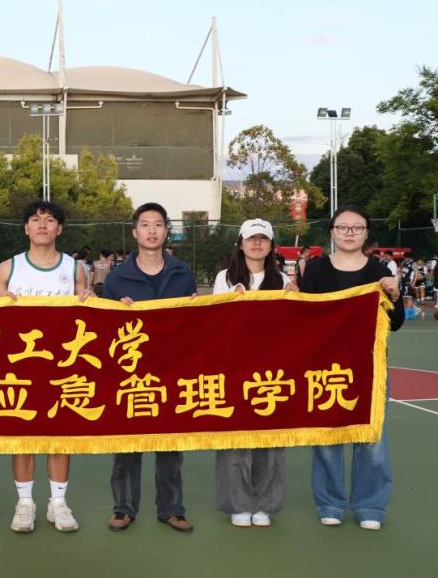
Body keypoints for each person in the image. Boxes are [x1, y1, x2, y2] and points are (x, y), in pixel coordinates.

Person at [0, 200, 92, 533]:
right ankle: (25, 503)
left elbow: (86, 311)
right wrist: (0, 304)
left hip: (61, 366)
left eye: (49, 220)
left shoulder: (73, 269)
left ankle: (58, 503)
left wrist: (89, 301)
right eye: (35, 219)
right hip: (18, 367)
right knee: (22, 435)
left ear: (59, 229)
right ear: (26, 228)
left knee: (59, 435)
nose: (42, 225)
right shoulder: (8, 268)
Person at [299, 205, 402, 530]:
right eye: (342, 227)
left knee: (372, 440)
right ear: (332, 231)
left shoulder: (379, 272)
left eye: (357, 228)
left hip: (370, 369)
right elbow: (303, 320)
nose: (349, 233)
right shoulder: (316, 270)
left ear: (366, 233)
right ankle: (330, 503)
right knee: (327, 439)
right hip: (325, 369)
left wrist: (395, 294)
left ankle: (370, 506)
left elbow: (395, 322)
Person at [102, 202, 198, 534]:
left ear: (166, 231)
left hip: (172, 369)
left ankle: (172, 509)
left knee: (170, 445)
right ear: (135, 232)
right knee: (128, 444)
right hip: (131, 372)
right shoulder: (117, 278)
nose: (152, 230)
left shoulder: (182, 273)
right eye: (145, 224)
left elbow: (194, 322)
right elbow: (105, 329)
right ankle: (123, 508)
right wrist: (119, 313)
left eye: (158, 224)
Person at [211, 219, 295, 528]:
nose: (256, 243)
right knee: (236, 438)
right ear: (240, 243)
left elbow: (291, 326)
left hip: (272, 371)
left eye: (263, 238)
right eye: (251, 238)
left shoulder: (283, 280)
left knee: (269, 438)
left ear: (271, 245)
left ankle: (264, 504)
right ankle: (239, 503)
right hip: (235, 368)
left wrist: (295, 300)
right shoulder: (224, 278)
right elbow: (214, 320)